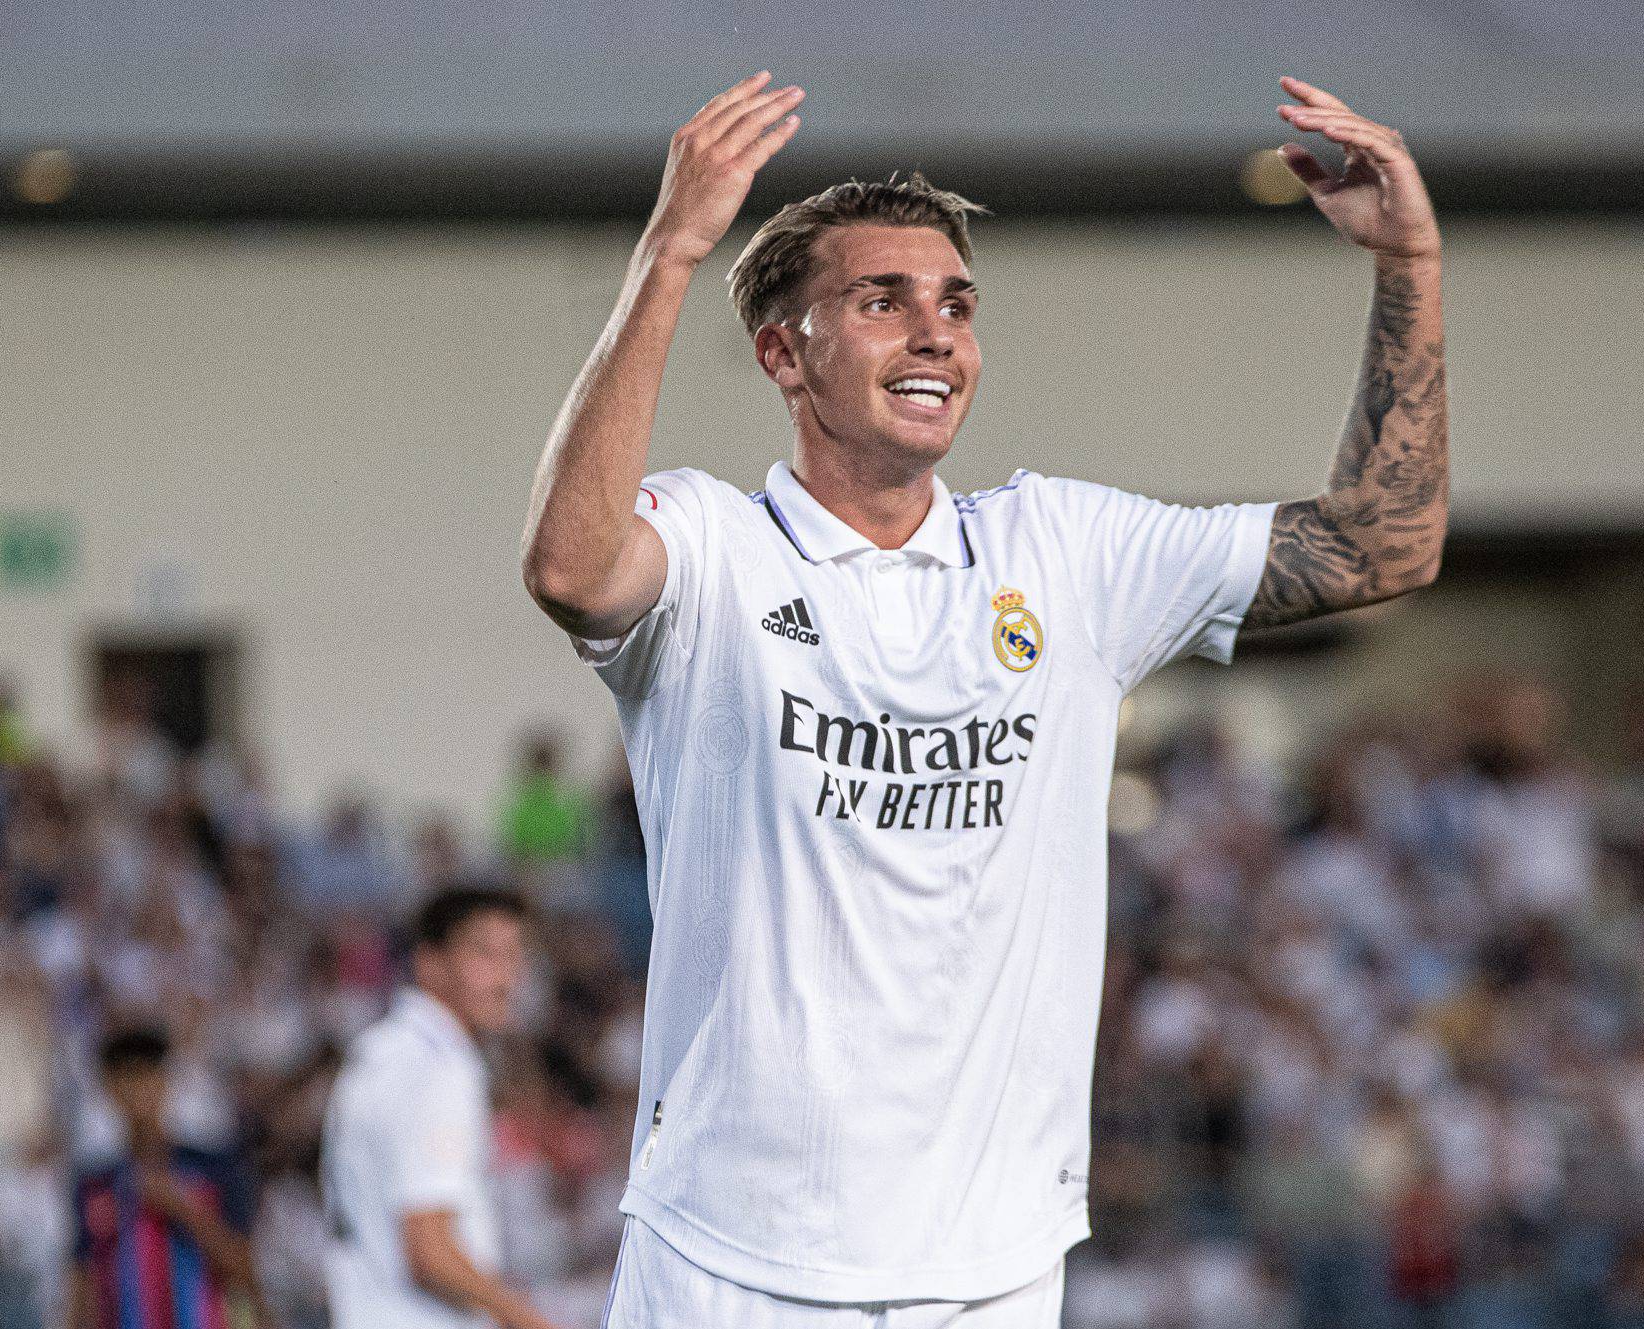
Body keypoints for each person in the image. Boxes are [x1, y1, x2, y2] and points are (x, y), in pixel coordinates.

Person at [520, 70, 1448, 1327]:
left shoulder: (1065, 551)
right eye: (880, 300)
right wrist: (674, 250)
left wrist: (1408, 264)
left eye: (955, 303)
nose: (934, 332)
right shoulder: (712, 550)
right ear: (781, 352)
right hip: (732, 1258)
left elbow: (1378, 547)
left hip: (993, 1266)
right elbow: (571, 566)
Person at [320, 888, 561, 1329]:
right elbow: (428, 1250)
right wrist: (529, 1320)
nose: (506, 977)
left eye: (514, 955)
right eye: (485, 954)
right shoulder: (441, 1064)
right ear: (428, 962)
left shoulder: (379, 1048)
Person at [68, 1026, 267, 1329]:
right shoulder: (94, 1186)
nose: (136, 1090)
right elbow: (83, 1287)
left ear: (164, 1081)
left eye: (145, 1075)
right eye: (125, 1077)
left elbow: (246, 1268)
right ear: (109, 1088)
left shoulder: (213, 1169)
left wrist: (180, 1208)